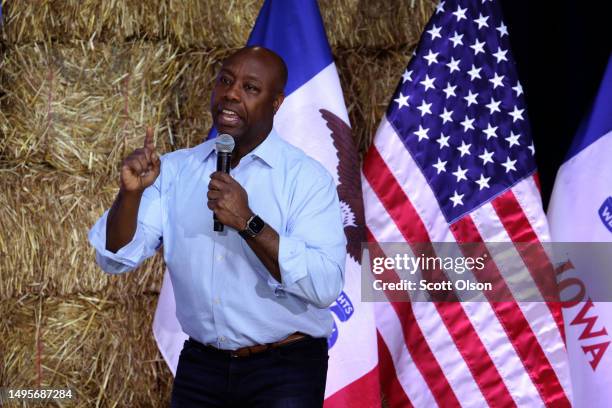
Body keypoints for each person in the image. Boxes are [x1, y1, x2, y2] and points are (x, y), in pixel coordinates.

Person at [88, 46, 346, 407]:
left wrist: (248, 223)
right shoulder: (175, 170)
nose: (231, 93)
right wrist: (129, 195)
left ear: (276, 103)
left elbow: (324, 285)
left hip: (285, 370)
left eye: (250, 88)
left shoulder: (306, 179)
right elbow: (114, 258)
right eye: (225, 81)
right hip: (202, 365)